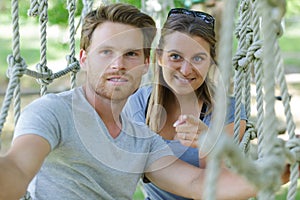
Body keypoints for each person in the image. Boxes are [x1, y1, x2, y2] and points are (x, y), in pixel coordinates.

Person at [0, 3, 265, 200]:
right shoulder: (52, 112)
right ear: (83, 58)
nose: (118, 65)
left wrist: (282, 169)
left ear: (145, 62)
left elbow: (199, 183)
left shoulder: (141, 139)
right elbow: (18, 167)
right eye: (106, 52)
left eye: (131, 54)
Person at [123, 7, 247, 200]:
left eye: (198, 58)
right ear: (160, 57)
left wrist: (209, 142)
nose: (186, 69)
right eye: (175, 56)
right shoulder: (139, 102)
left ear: (210, 63)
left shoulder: (230, 110)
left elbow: (214, 191)